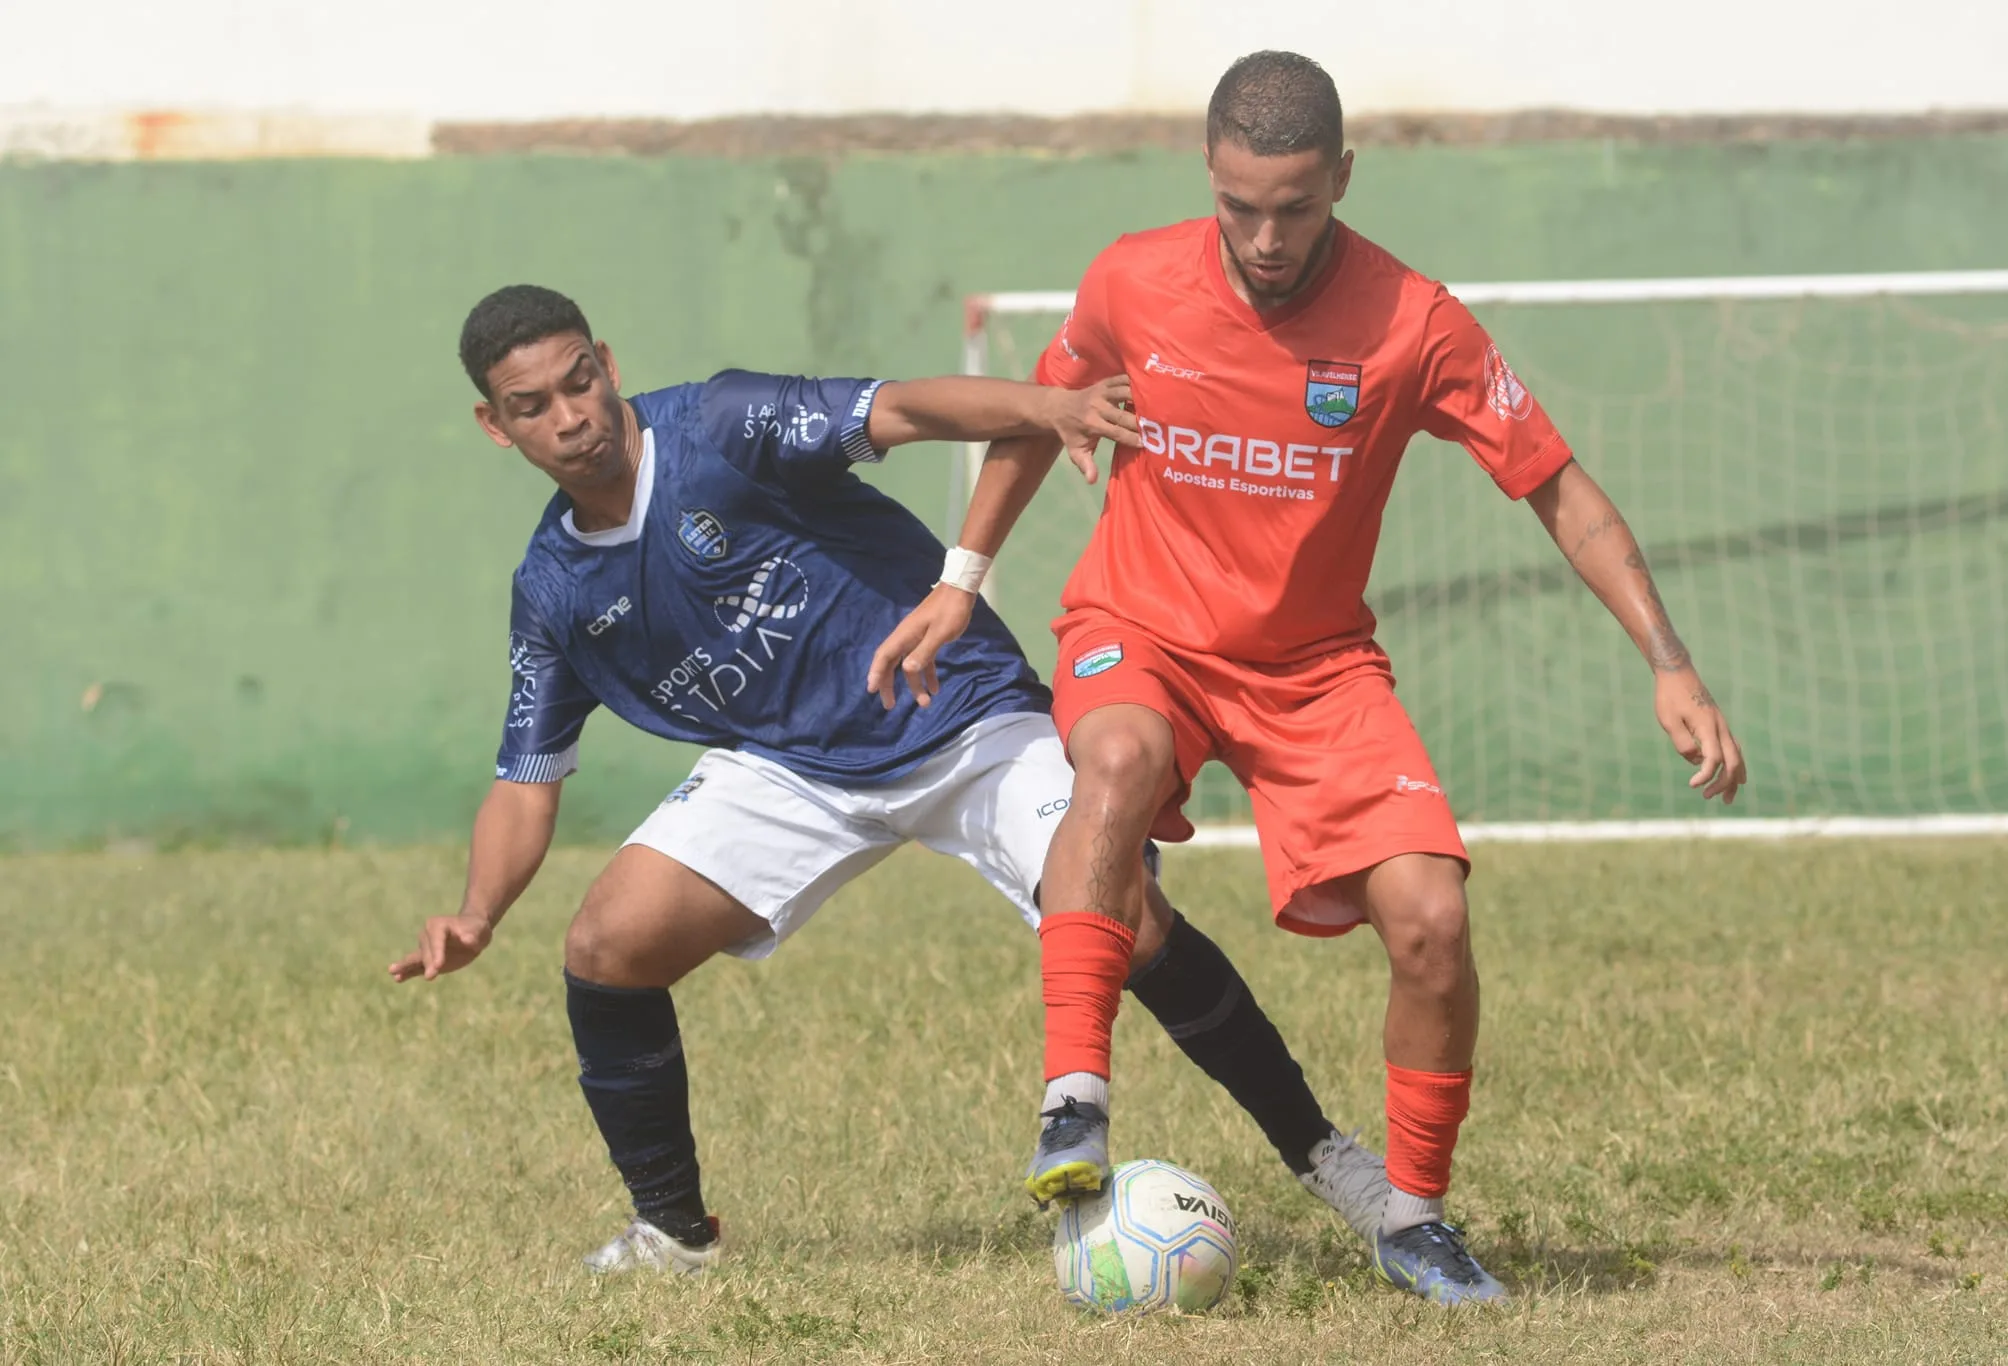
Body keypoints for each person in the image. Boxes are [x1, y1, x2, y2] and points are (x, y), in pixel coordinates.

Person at [867, 51, 1748, 1306]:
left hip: (1314, 666)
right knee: (1111, 761)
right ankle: (1074, 1100)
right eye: (1239, 206)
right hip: (1144, 628)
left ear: (1342, 176)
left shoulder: (1412, 321)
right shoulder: (1131, 277)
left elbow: (1554, 484)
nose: (1266, 238)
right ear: (1208, 178)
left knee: (1433, 923)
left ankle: (1413, 1218)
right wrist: (961, 576)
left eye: (1295, 206)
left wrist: (1669, 663)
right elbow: (1038, 412)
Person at [387, 283, 1395, 1275]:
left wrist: (1044, 407)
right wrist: (476, 914)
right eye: (533, 407)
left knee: (1123, 918)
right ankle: (674, 1231)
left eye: (579, 383)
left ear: (607, 363)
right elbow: (526, 777)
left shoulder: (721, 423)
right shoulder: (554, 590)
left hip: (958, 712)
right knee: (607, 946)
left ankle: (1325, 1154)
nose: (571, 418)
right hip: (792, 768)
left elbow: (900, 408)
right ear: (494, 425)